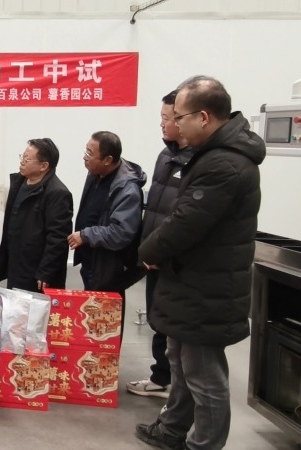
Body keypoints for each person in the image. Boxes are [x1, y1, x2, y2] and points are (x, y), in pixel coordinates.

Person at [135, 76, 265, 450]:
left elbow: (184, 223)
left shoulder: (224, 164)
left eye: (180, 117)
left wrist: (148, 252)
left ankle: (204, 444)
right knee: (181, 364)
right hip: (191, 280)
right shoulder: (211, 155)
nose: (175, 124)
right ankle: (173, 430)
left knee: (205, 376)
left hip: (207, 287)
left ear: (203, 117)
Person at [126, 90, 196, 399]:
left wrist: (162, 252)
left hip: (174, 260)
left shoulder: (199, 161)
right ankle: (161, 377)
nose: (163, 124)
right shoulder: (166, 156)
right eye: (162, 118)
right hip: (153, 254)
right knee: (157, 317)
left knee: (173, 325)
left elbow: (184, 217)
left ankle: (175, 385)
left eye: (168, 118)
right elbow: (155, 207)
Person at [68, 131, 146, 297]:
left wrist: (86, 235)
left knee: (106, 311)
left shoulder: (128, 190)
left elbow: (121, 232)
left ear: (107, 160)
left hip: (108, 268)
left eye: (90, 153)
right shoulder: (95, 173)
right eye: (85, 150)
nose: (85, 157)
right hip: (91, 262)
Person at [0, 138, 73, 292]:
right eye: (22, 157)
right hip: (17, 262)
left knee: (35, 305)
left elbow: (57, 238)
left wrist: (46, 272)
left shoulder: (57, 193)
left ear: (44, 166)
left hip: (37, 270)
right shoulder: (19, 182)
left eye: (27, 159)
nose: (22, 162)